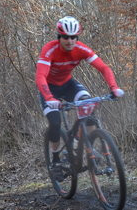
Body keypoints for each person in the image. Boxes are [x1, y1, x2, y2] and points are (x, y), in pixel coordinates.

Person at [35, 16, 124, 173]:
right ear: (59, 36)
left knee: (88, 105)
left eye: (73, 37)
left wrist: (114, 87)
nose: (70, 41)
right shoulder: (50, 49)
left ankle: (83, 143)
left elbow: (104, 68)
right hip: (48, 89)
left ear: (77, 36)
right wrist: (49, 98)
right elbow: (40, 76)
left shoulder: (81, 49)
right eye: (65, 37)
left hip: (68, 85)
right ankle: (55, 160)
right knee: (55, 123)